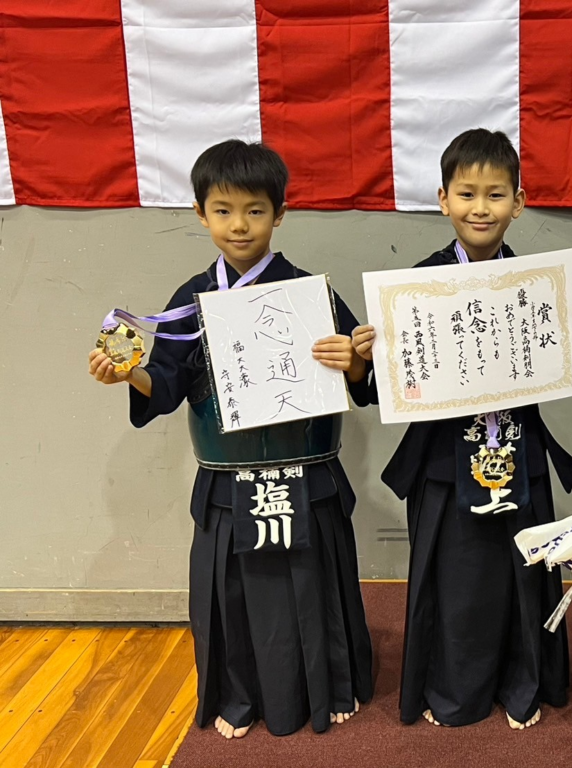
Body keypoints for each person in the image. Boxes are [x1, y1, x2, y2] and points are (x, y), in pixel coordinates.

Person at [87, 140, 375, 739]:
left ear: (280, 214)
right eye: (223, 210)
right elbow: (166, 382)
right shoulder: (190, 302)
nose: (239, 224)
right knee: (233, 592)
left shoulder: (311, 292)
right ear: (201, 214)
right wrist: (130, 374)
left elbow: (363, 377)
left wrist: (353, 360)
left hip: (306, 473)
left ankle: (330, 686)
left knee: (314, 582)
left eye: (254, 210)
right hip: (229, 479)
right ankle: (239, 696)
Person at [360, 128, 572, 729]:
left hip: (519, 451)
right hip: (445, 460)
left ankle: (523, 685)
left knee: (523, 574)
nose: (480, 208)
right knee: (456, 582)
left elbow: (567, 380)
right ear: (443, 199)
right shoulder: (415, 287)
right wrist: (373, 357)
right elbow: (389, 390)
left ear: (518, 203)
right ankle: (455, 692)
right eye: (467, 194)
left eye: (496, 195)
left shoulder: (538, 284)